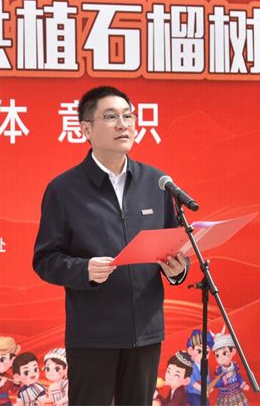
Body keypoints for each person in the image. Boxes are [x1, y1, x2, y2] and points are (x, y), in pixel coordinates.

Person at [33, 85, 188, 405]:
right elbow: (45, 259)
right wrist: (84, 270)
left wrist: (177, 270)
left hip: (145, 332)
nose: (123, 124)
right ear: (86, 129)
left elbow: (173, 246)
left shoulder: (157, 182)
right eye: (111, 117)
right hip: (93, 335)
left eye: (128, 116)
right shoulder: (64, 189)